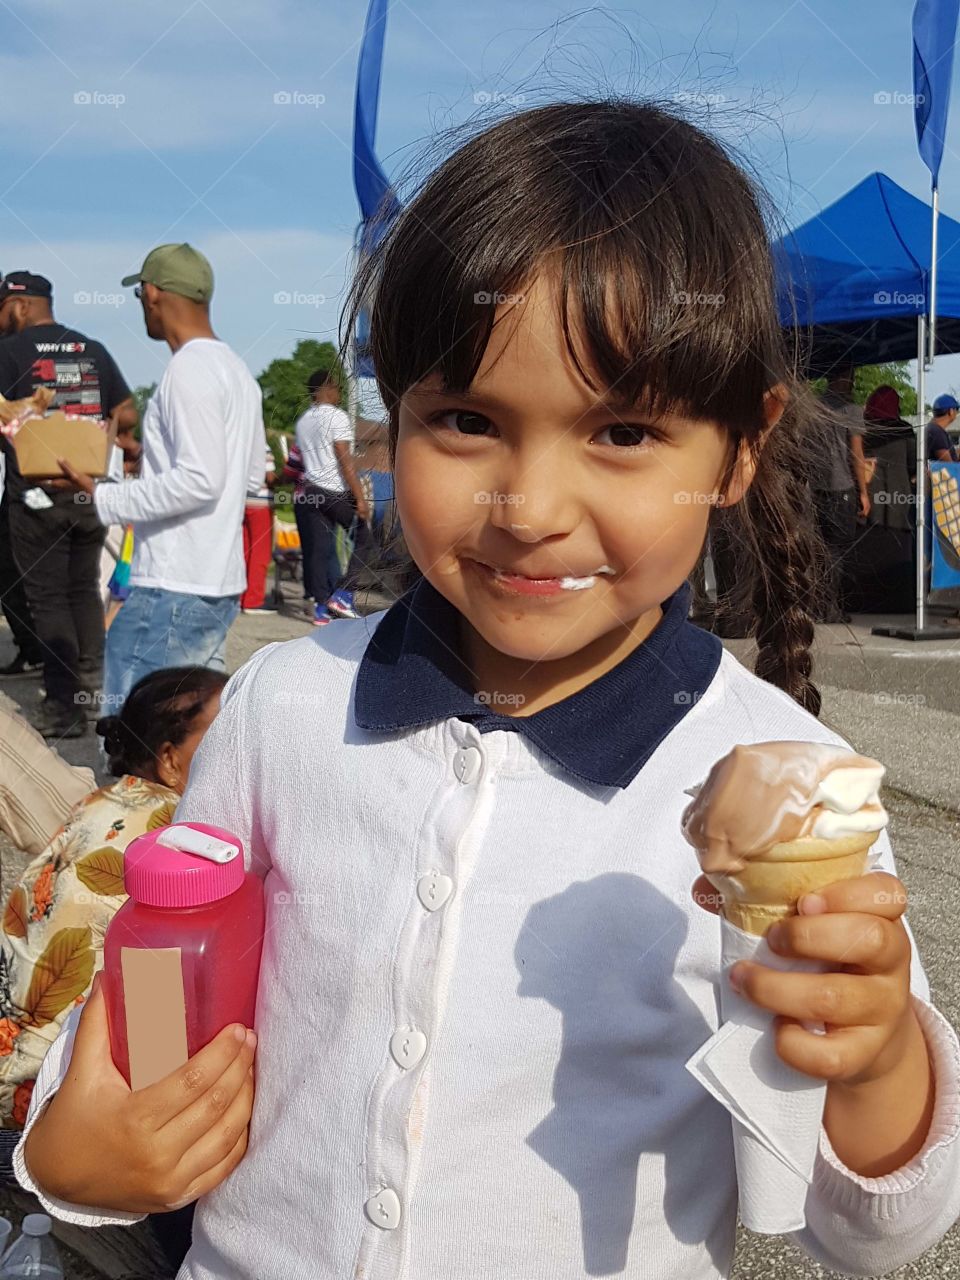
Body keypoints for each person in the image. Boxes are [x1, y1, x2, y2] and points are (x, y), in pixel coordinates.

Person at [15, 102, 960, 1279]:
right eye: (465, 420)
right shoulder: (284, 705)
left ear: (739, 446)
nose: (529, 504)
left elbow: (874, 1232)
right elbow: (170, 940)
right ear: (394, 409)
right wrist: (91, 1143)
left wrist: (877, 1068)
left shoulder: (788, 798)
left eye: (623, 432)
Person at [57, 245, 265, 710]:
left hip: (172, 585)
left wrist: (104, 495)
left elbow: (198, 480)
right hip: (217, 582)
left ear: (152, 293)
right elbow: (249, 475)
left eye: (139, 297)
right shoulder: (238, 373)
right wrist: (148, 457)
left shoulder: (187, 369)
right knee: (189, 730)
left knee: (134, 733)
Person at [0, 272, 136, 737]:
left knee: (49, 598)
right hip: (88, 492)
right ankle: (93, 692)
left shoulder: (8, 352)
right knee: (82, 591)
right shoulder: (92, 349)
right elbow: (128, 416)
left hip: (36, 496)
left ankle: (64, 707)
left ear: (19, 307)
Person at [293, 369, 373, 625]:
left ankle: (321, 607)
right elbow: (344, 460)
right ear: (325, 390)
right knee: (365, 537)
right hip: (333, 491)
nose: (339, 392)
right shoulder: (337, 417)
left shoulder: (303, 420)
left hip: (311, 491)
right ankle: (345, 594)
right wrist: (360, 497)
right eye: (336, 387)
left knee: (319, 550)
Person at [812, 365, 872, 623]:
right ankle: (831, 608)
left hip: (815, 488)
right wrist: (864, 492)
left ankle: (818, 605)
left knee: (821, 548)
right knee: (839, 550)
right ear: (847, 377)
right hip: (842, 487)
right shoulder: (852, 410)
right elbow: (856, 454)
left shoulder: (812, 407)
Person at [240, 442, 277, 614]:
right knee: (260, 553)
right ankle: (253, 600)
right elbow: (269, 478)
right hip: (260, 503)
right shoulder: (262, 445)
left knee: (245, 552)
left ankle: (241, 597)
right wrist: (283, 479)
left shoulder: (238, 439)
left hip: (242, 502)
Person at [925, 392, 959, 463]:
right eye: (957, 409)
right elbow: (948, 465)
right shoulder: (937, 432)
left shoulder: (932, 428)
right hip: (941, 473)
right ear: (951, 411)